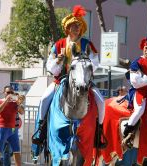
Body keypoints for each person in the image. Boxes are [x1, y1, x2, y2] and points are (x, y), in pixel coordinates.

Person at [33, 5, 105, 147]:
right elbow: (51, 68)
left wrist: (86, 64)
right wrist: (58, 61)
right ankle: (41, 130)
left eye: (78, 25)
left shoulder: (87, 44)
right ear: (67, 28)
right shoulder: (59, 44)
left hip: (85, 81)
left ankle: (99, 132)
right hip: (61, 81)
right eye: (73, 26)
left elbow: (96, 62)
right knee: (44, 99)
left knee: (101, 101)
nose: (76, 28)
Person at [0, 86, 25, 166]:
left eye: (11, 92)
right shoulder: (0, 101)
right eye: (8, 92)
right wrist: (6, 101)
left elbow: (22, 112)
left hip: (13, 129)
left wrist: (19, 103)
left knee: (16, 151)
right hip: (3, 128)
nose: (10, 94)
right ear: (4, 93)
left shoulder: (15, 103)